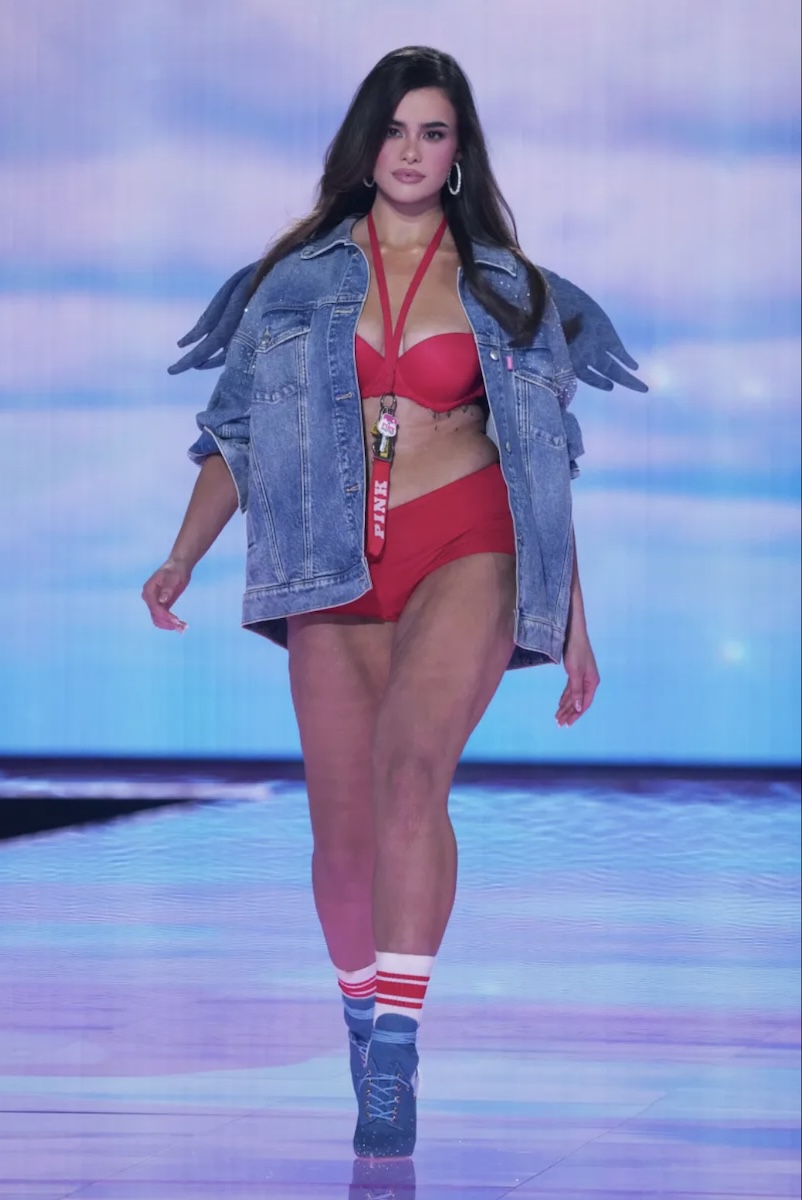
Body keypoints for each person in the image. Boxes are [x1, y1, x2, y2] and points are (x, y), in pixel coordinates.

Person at [142, 46, 646, 1160]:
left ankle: (395, 1055)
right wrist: (180, 557)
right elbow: (235, 435)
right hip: (330, 565)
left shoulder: (509, 288)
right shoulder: (291, 281)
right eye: (396, 130)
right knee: (343, 839)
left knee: (414, 775)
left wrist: (574, 624)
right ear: (364, 143)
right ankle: (362, 1011)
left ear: (459, 152)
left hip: (469, 541)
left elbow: (542, 463)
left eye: (435, 132)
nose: (412, 151)